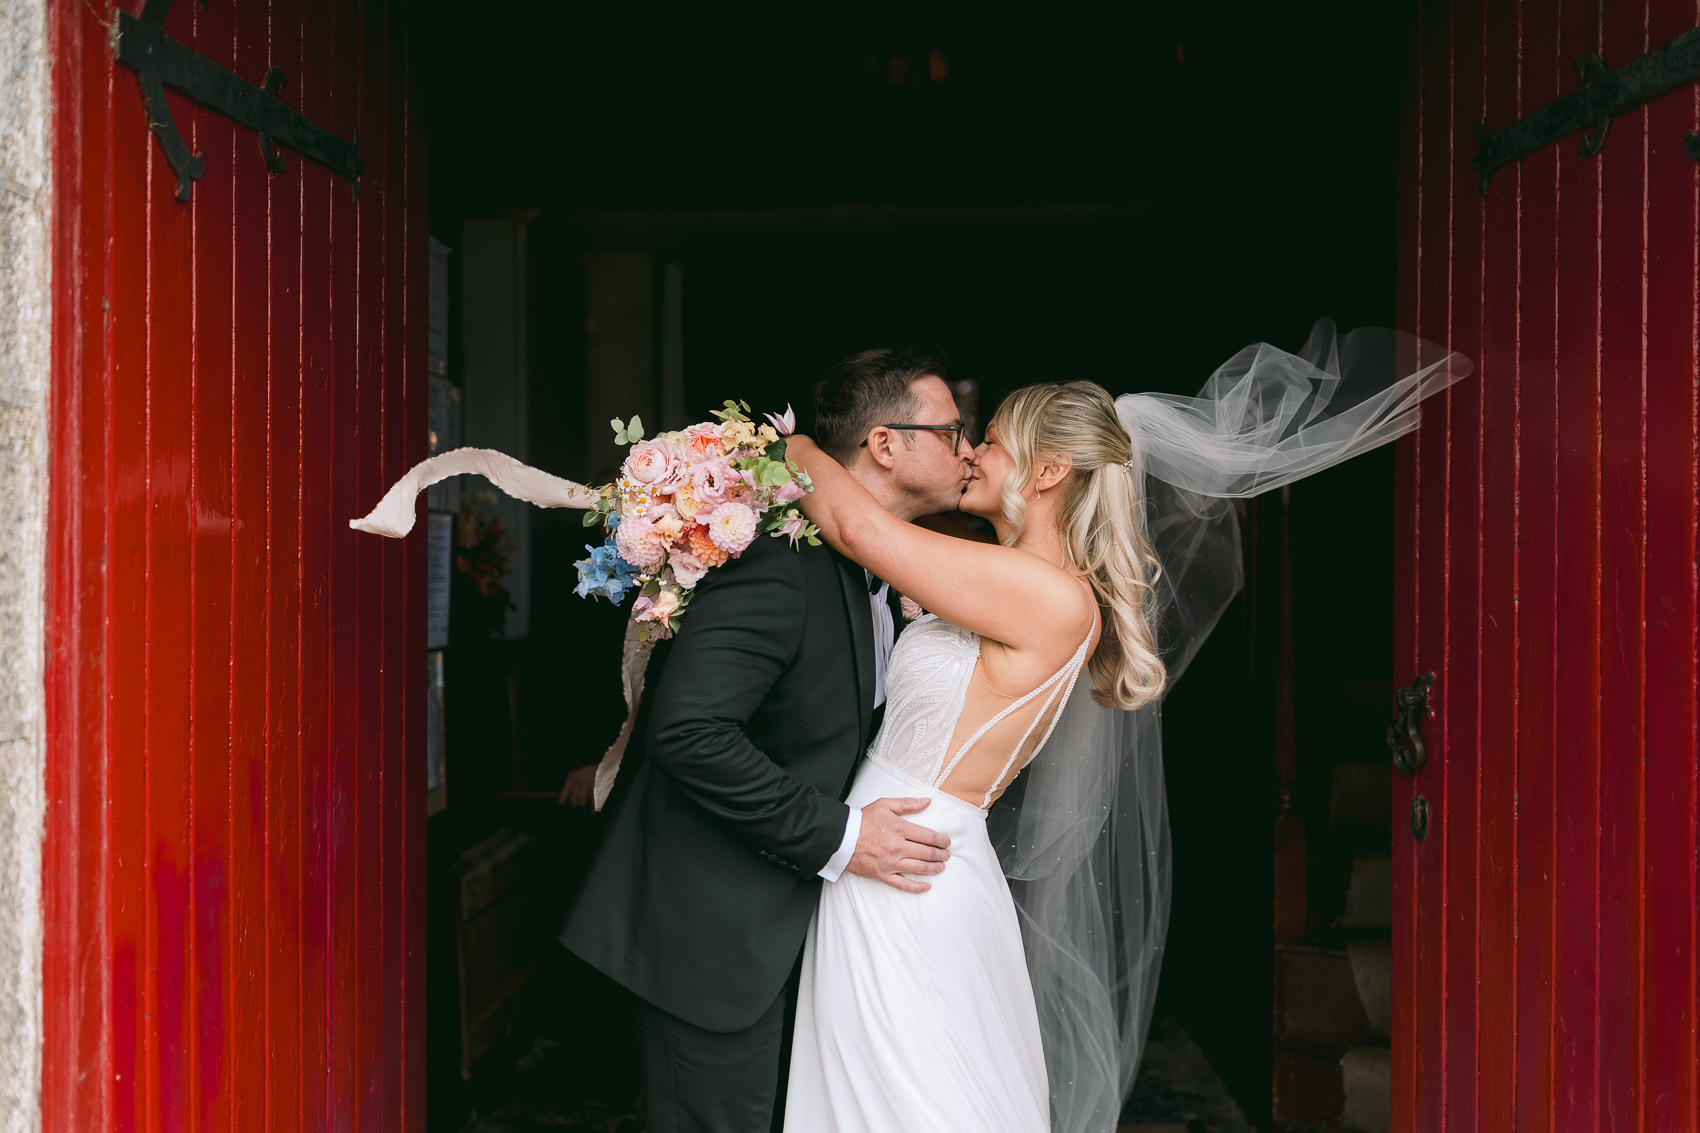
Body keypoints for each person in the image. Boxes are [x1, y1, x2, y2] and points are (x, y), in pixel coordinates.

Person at [777, 322, 1471, 1133]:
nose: (971, 454)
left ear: (1048, 470)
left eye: (990, 440)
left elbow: (859, 529)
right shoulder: (1010, 578)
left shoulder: (1048, 593)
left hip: (908, 872)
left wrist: (777, 447)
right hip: (893, 858)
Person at [558, 347, 980, 1133]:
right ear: (885, 444)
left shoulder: (871, 566)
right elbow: (689, 731)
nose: (969, 450)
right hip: (711, 936)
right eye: (953, 430)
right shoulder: (782, 565)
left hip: (790, 931)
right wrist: (844, 835)